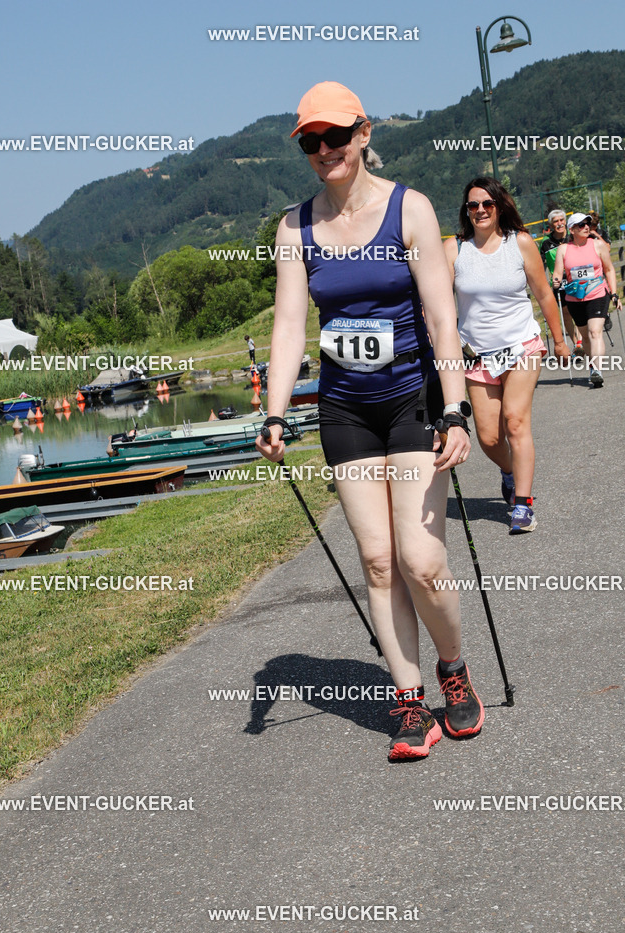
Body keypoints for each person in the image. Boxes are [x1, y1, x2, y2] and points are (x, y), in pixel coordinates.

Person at [255, 81, 483, 761]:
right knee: (379, 562)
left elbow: (441, 317)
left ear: (363, 133)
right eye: (310, 141)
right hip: (345, 408)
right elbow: (290, 326)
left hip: (412, 397)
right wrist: (274, 410)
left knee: (422, 559)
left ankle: (452, 668)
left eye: (335, 136)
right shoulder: (295, 228)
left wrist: (455, 408)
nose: (324, 149)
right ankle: (409, 699)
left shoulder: (409, 209)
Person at [444, 177, 566, 535]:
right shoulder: (455, 249)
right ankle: (510, 473)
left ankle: (523, 505)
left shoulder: (520, 242)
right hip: (476, 355)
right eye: (473, 205)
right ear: (466, 211)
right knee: (490, 438)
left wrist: (559, 340)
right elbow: (436, 301)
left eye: (487, 203)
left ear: (499, 206)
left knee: (515, 421)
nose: (480, 210)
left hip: (521, 347)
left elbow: (543, 294)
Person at [552, 213, 622, 387]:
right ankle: (593, 367)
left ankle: (597, 370)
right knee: (585, 336)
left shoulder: (598, 245)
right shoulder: (563, 249)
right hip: (574, 298)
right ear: (572, 229)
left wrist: (614, 293)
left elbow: (609, 269)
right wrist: (556, 281)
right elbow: (557, 273)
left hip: (597, 293)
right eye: (581, 224)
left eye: (587, 224)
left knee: (595, 331)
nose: (586, 227)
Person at [540, 210, 580, 352]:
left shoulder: (573, 236)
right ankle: (577, 345)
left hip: (576, 278)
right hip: (559, 282)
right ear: (551, 224)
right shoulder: (546, 242)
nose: (559, 224)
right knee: (566, 314)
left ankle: (581, 341)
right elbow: (540, 264)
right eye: (556, 221)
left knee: (578, 311)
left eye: (562, 220)